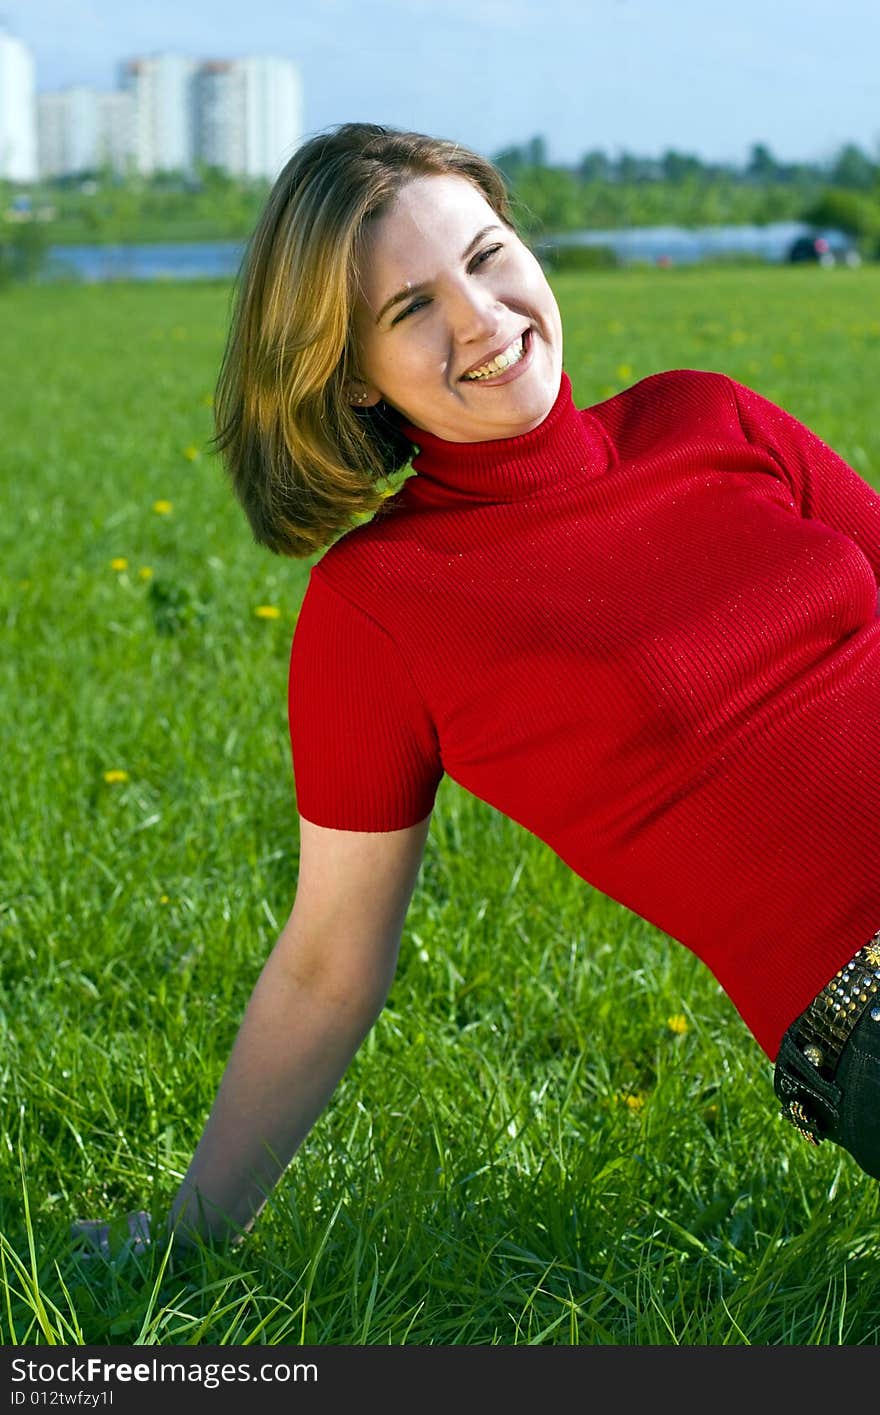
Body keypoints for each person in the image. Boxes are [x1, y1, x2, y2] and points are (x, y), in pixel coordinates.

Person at [74, 120, 880, 1260]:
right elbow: (326, 961)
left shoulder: (707, 414)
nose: (481, 318)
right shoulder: (383, 604)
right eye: (409, 310)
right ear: (350, 373)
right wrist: (191, 1226)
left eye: (489, 254)